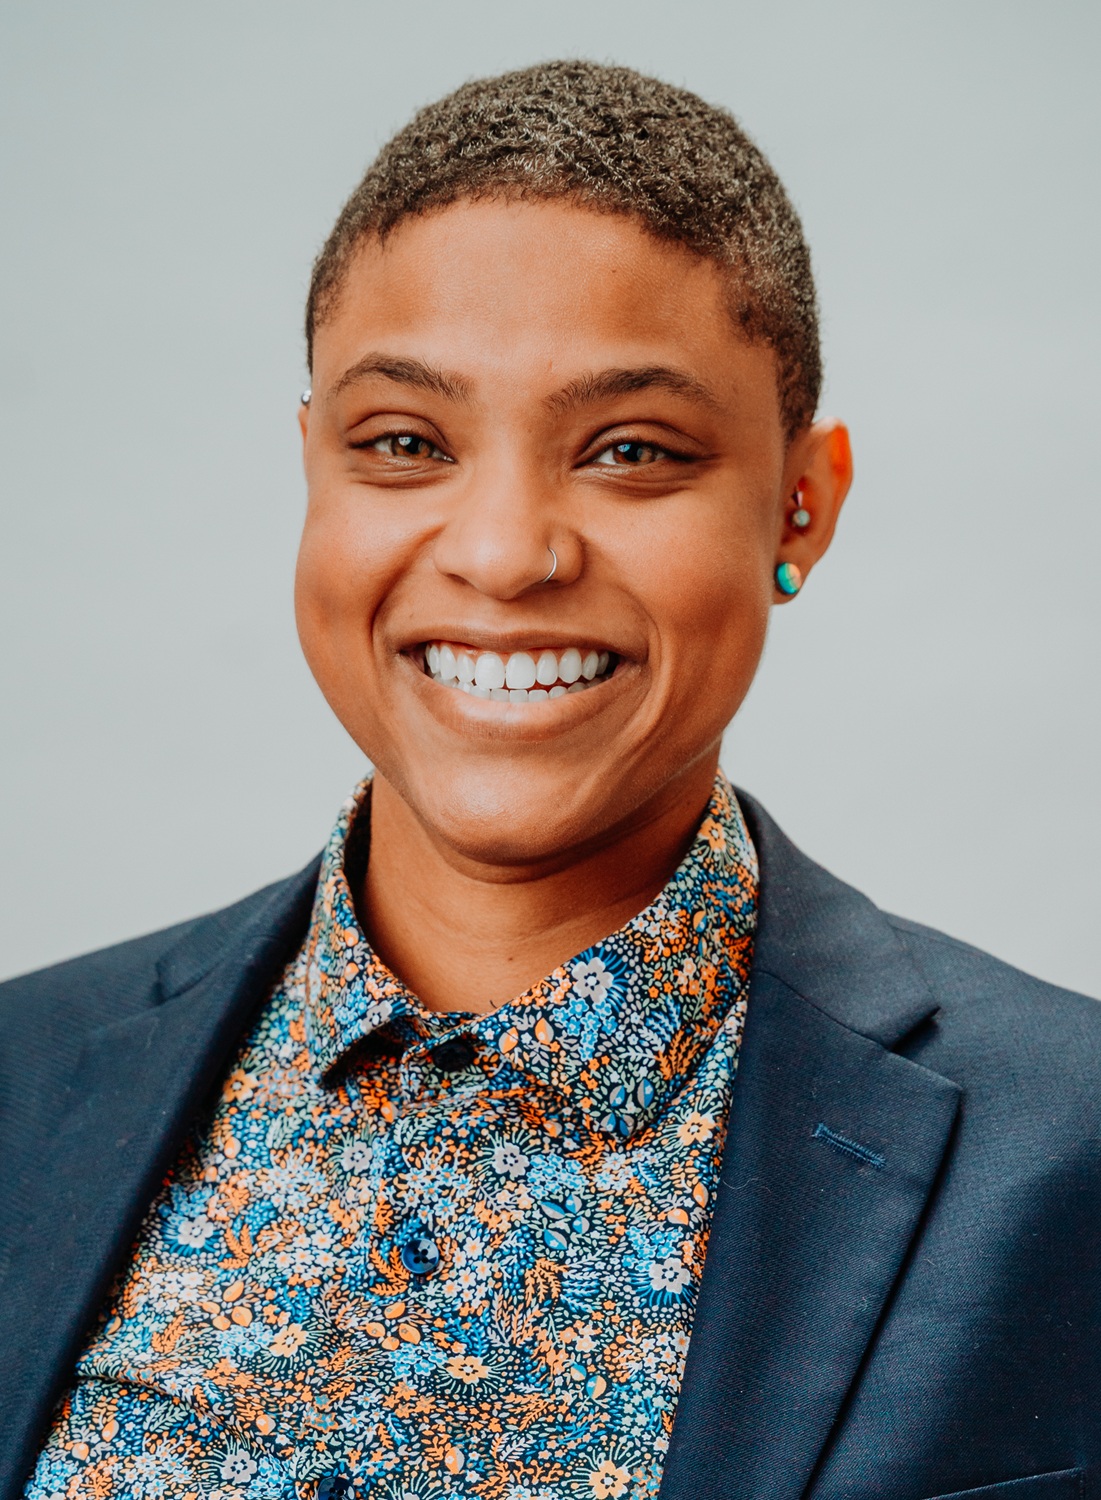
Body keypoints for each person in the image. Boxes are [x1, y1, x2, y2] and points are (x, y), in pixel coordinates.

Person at [1, 58, 1097, 1500]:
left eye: (631, 451)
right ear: (313, 469)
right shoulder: (23, 1081)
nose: (506, 551)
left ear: (800, 503)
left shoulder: (1068, 1155)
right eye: (403, 443)